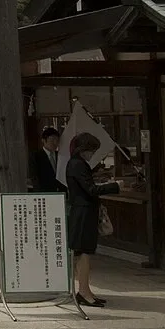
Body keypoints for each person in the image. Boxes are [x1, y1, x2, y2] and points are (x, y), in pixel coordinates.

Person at [65, 130, 118, 307]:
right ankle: (84, 292)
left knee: (83, 253)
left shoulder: (76, 163)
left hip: (82, 212)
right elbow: (91, 190)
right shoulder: (78, 164)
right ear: (83, 149)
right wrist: (114, 186)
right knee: (84, 253)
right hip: (83, 213)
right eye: (91, 150)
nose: (92, 154)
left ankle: (85, 290)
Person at [29, 125, 64, 194]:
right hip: (45, 193)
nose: (55, 143)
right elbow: (34, 177)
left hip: (61, 192)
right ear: (44, 140)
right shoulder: (36, 156)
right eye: (52, 140)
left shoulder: (60, 155)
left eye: (57, 140)